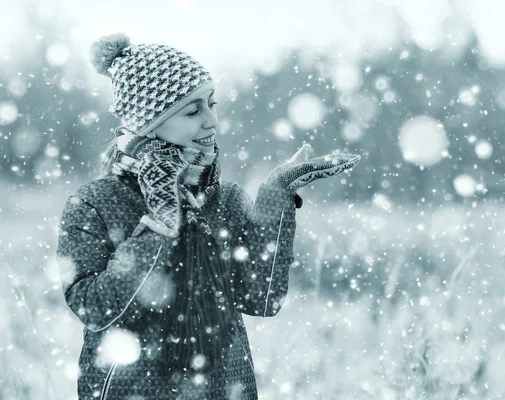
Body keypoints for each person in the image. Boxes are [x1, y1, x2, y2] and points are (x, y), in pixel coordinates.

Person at [55, 33, 361, 400]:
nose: (211, 121)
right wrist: (156, 233)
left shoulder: (225, 199)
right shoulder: (95, 201)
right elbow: (92, 309)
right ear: (149, 123)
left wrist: (275, 199)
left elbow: (262, 298)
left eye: (211, 104)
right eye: (192, 110)